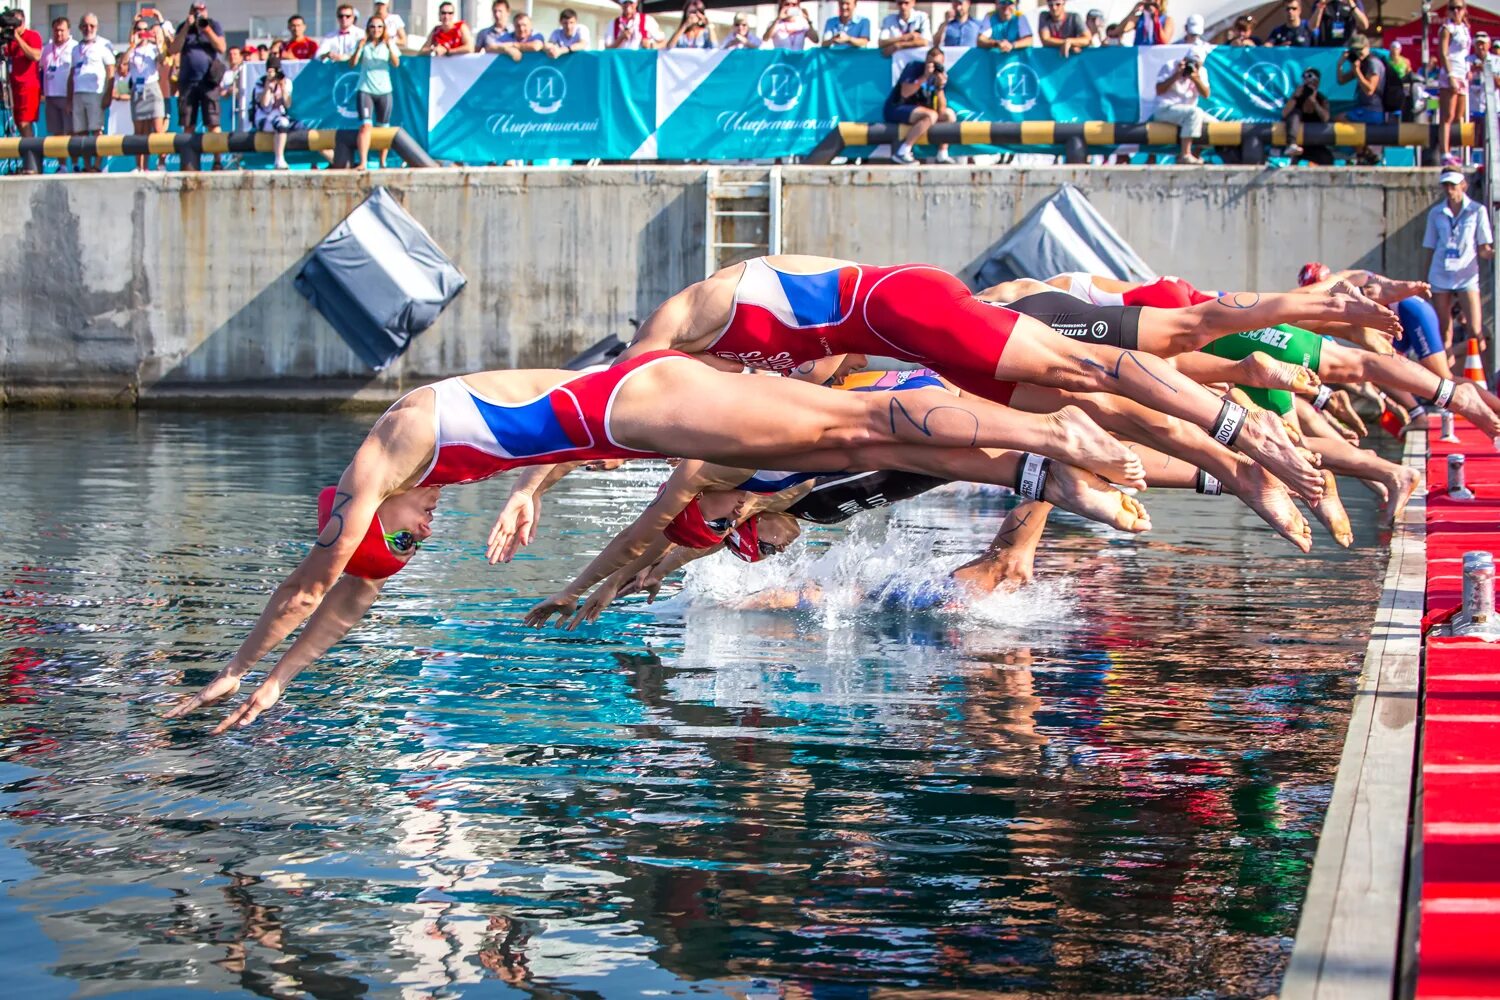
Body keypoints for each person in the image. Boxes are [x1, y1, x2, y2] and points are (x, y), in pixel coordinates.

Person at [160, 352, 1149, 733]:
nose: (421, 541)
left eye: (402, 544)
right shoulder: (425, 478)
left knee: (842, 428)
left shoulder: (391, 451)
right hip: (627, 419)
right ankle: (1049, 469)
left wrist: (244, 668)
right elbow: (349, 600)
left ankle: (1050, 434)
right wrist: (282, 684)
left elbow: (320, 578)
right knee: (840, 438)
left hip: (645, 400)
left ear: (368, 518)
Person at [609, 255, 1388, 505]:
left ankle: (1251, 420)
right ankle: (1236, 465)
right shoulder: (734, 384)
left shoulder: (693, 312)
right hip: (914, 343)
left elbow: (600, 401)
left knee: (1108, 370)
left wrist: (528, 485)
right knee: (1110, 407)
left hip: (912, 306)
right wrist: (535, 488)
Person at [1425, 169, 1495, 360]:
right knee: (1443, 331)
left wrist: (1493, 254)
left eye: (1453, 186)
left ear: (1463, 186)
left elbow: (1483, 248)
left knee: (1476, 331)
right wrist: (1424, 280)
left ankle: (1453, 355)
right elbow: (1430, 247)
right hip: (1440, 273)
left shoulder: (1477, 210)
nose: (1449, 190)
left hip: (1467, 275)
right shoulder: (1436, 212)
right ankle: (1446, 376)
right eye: (1446, 186)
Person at [169, 2, 225, 171]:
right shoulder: (183, 27)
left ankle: (217, 161)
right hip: (188, 82)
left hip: (209, 81)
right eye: (195, 11)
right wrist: (187, 26)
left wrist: (206, 29)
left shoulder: (214, 25)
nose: (199, 14)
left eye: (201, 10)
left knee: (213, 123)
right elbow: (173, 49)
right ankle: (189, 161)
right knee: (188, 123)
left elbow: (221, 47)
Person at [884, 45, 956, 164]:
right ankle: (902, 151)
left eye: (937, 64)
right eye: (930, 63)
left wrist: (940, 87)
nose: (933, 67)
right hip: (898, 107)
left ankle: (942, 154)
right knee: (930, 115)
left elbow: (941, 108)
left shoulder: (940, 76)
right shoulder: (914, 68)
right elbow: (905, 93)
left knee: (949, 115)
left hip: (921, 111)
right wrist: (924, 77)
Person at [67, 14, 112, 173]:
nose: (89, 29)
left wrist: (108, 94)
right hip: (78, 93)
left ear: (97, 27)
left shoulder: (103, 45)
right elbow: (72, 75)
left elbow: (111, 71)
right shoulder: (75, 49)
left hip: (95, 93)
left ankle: (97, 165)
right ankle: (87, 165)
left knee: (97, 130)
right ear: (80, 28)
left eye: (92, 25)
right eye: (85, 25)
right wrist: (69, 99)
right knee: (81, 132)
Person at [353, 15, 399, 170]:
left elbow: (396, 63)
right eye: (373, 26)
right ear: (368, 28)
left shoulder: (388, 44)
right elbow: (352, 63)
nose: (376, 30)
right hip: (366, 88)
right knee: (365, 126)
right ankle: (363, 161)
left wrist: (389, 45)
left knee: (383, 127)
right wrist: (359, 48)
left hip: (384, 90)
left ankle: (382, 161)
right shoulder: (363, 44)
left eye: (379, 27)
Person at [1151, 50, 1211, 164]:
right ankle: (1185, 154)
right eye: (1190, 62)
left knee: (1215, 125)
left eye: (1196, 64)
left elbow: (1206, 94)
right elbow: (1159, 90)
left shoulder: (1201, 72)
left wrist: (1196, 79)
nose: (1192, 66)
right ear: (1184, 59)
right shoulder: (1170, 66)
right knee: (1195, 113)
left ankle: (1195, 154)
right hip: (1166, 109)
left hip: (1187, 112)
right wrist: (1177, 75)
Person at [125, 16, 167, 171]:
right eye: (138, 29)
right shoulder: (133, 49)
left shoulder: (153, 48)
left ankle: (161, 163)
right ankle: (141, 166)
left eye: (144, 29)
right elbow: (122, 63)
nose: (142, 32)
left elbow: (162, 61)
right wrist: (132, 45)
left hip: (152, 87)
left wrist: (158, 43)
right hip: (137, 89)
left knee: (158, 130)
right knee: (140, 133)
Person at [1336, 35, 1387, 164]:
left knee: (1339, 119)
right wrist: (1340, 64)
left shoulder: (1372, 63)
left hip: (1373, 110)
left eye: (1361, 50)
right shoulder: (1361, 64)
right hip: (1363, 108)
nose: (1358, 54)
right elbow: (1341, 80)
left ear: (1368, 48)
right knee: (1342, 123)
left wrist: (1357, 71)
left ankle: (1363, 152)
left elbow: (1370, 90)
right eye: (1355, 51)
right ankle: (1363, 154)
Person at [2, 8, 43, 168]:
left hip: (28, 88)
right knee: (19, 124)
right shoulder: (8, 39)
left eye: (16, 24)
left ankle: (31, 165)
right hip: (13, 89)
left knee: (25, 124)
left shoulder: (32, 36)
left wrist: (17, 38)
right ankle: (27, 162)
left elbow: (35, 55)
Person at [1438, 0, 1472, 162]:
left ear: (1464, 10)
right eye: (1453, 8)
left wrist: (1469, 70)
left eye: (1459, 8)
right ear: (1448, 11)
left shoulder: (1465, 29)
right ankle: (1445, 151)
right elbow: (1443, 53)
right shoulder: (1447, 29)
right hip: (1451, 73)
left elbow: (1465, 53)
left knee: (1460, 115)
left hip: (1463, 72)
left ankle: (1457, 151)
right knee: (1448, 115)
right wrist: (1450, 75)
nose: (1456, 11)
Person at [40, 18, 75, 170]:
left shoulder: (75, 48)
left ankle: (74, 164)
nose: (59, 33)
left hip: (67, 96)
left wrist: (70, 100)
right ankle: (62, 165)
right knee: (57, 133)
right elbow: (41, 69)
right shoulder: (46, 49)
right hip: (50, 97)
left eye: (62, 30)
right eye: (56, 30)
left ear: (68, 31)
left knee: (71, 133)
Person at [252, 54, 294, 169]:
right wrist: (268, 86)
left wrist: (283, 87)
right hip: (264, 118)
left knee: (302, 127)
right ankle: (279, 159)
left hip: (280, 116)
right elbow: (265, 105)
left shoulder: (286, 82)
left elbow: (288, 104)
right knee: (282, 123)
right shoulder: (260, 83)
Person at [1282, 67, 1332, 164]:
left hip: (1315, 143)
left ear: (1317, 83)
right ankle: (1291, 143)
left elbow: (1326, 118)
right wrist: (1295, 97)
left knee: (1327, 158)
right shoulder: (1297, 96)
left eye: (1311, 80)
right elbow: (1284, 114)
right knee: (1295, 113)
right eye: (1306, 79)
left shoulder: (1321, 99)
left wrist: (1314, 103)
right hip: (1298, 143)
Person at [1470, 32, 1500, 126]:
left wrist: (1485, 69)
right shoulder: (1467, 60)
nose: (1480, 47)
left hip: (1493, 110)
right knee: (1473, 139)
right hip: (1472, 110)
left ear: (1489, 45)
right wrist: (1472, 71)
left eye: (1482, 44)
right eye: (1478, 44)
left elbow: (1499, 84)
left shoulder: (1497, 61)